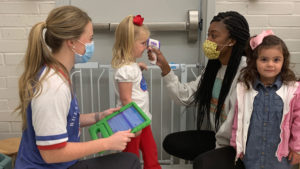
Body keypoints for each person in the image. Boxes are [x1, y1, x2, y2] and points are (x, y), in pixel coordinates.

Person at [14, 6, 140, 169]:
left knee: (128, 160)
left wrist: (98, 116)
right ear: (72, 42)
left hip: (60, 164)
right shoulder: (53, 87)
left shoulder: (58, 74)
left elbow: (64, 120)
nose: (91, 44)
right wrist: (106, 143)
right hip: (49, 165)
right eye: (90, 38)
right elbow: (52, 153)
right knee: (130, 162)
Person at [148, 11, 250, 168]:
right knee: (172, 142)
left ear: (231, 41)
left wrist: (216, 157)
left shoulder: (245, 73)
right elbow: (185, 97)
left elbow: (233, 126)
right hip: (219, 138)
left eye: (214, 36)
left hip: (237, 145)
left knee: (203, 163)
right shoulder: (214, 67)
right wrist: (165, 67)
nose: (208, 40)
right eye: (208, 35)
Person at [230, 30, 300, 169]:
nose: (270, 64)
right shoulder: (244, 89)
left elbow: (298, 122)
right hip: (252, 156)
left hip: (279, 159)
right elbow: (238, 119)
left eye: (276, 60)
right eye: (264, 59)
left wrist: (297, 148)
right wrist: (236, 145)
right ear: (254, 61)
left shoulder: (293, 91)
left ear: (283, 61)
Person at [111, 15, 162, 169]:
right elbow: (126, 99)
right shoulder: (125, 70)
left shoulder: (130, 66)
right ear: (128, 44)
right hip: (131, 122)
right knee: (130, 156)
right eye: (142, 43)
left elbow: (131, 83)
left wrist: (137, 67)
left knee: (150, 151)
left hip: (142, 119)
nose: (146, 47)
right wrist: (135, 123)